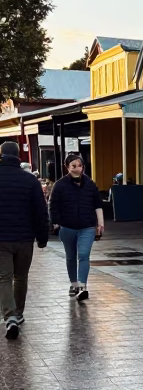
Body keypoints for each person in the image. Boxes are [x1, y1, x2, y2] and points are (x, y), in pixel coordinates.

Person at [0, 140, 50, 340]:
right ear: (18, 156)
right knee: (21, 277)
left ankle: (9, 316)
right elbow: (40, 211)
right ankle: (18, 314)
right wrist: (42, 237)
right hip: (24, 237)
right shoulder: (30, 180)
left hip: (1, 238)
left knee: (3, 277)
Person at [49, 153, 104, 303]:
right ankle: (73, 283)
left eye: (80, 166)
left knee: (84, 255)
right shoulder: (60, 185)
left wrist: (100, 223)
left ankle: (82, 286)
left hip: (87, 226)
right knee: (71, 256)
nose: (77, 169)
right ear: (67, 167)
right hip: (67, 227)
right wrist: (56, 223)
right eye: (73, 166)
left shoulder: (90, 184)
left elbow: (97, 204)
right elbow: (53, 206)